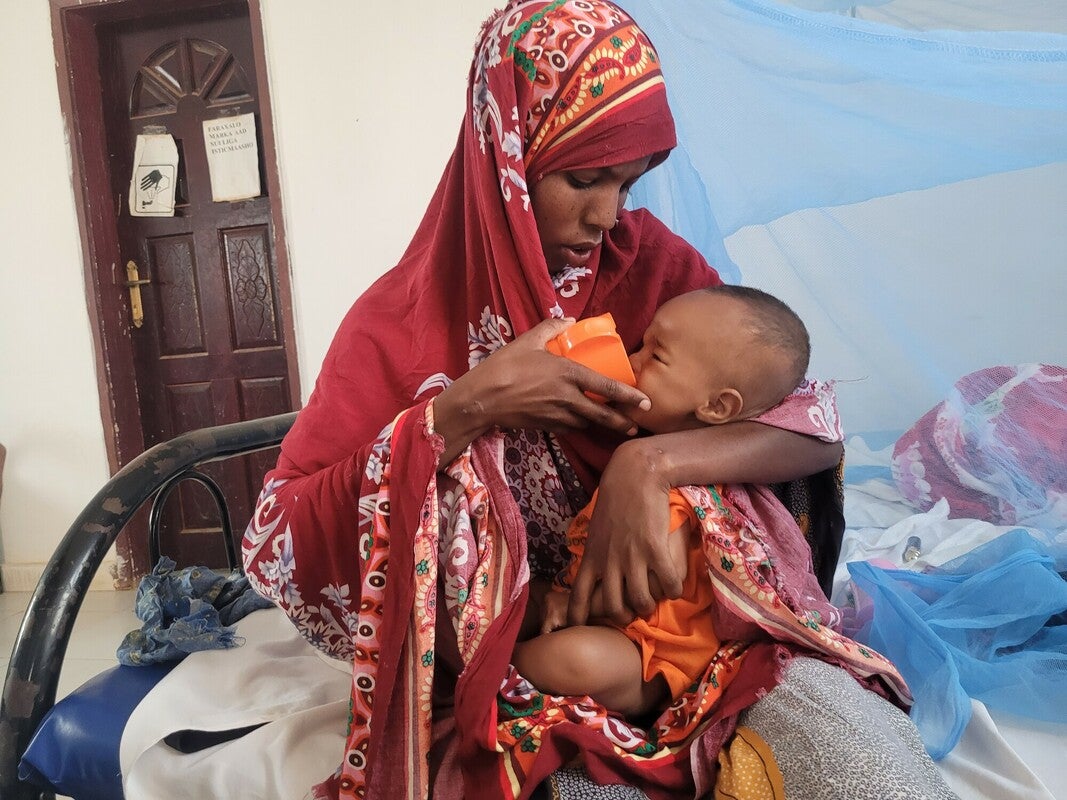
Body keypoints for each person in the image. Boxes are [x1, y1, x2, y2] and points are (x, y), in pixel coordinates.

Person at [242, 3, 941, 799]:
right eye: (582, 178)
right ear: (504, 156)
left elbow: (810, 427)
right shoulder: (396, 326)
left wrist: (649, 464)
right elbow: (278, 541)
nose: (607, 216)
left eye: (628, 181)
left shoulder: (657, 273)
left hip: (716, 640)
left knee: (864, 768)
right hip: (529, 660)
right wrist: (465, 409)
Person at [512, 284, 813, 719]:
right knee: (507, 599)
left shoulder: (687, 495)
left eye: (654, 356)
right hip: (592, 611)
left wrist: (568, 602)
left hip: (650, 653)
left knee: (574, 660)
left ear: (716, 406)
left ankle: (496, 672)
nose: (632, 359)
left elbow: (648, 585)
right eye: (642, 344)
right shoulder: (647, 461)